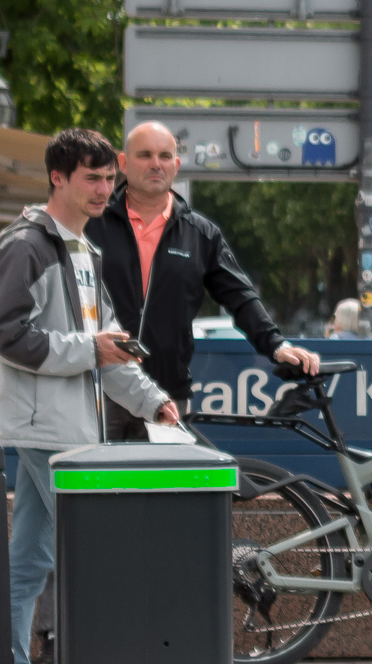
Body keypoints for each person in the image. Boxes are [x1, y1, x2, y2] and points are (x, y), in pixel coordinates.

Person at [0, 129, 178, 664]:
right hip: (47, 431)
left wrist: (152, 400)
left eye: (106, 178)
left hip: (62, 430)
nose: (104, 189)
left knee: (31, 558)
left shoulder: (82, 250)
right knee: (91, 549)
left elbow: (109, 349)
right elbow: (6, 336)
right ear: (58, 178)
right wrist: (89, 350)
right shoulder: (26, 244)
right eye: (91, 178)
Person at [90, 120, 319, 440]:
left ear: (177, 165)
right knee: (94, 491)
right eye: (145, 155)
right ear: (123, 163)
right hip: (97, 394)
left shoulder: (201, 234)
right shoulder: (91, 225)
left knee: (170, 491)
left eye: (165, 156)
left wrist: (276, 345)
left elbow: (240, 296)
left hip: (166, 395)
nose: (156, 164)